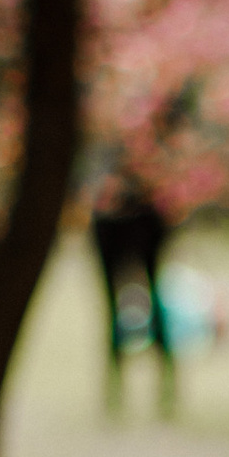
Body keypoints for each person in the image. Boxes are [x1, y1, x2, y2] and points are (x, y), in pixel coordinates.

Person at [92, 176, 176, 415]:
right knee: (114, 310)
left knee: (155, 305)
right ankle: (116, 392)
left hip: (138, 208)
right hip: (114, 211)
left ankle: (161, 391)